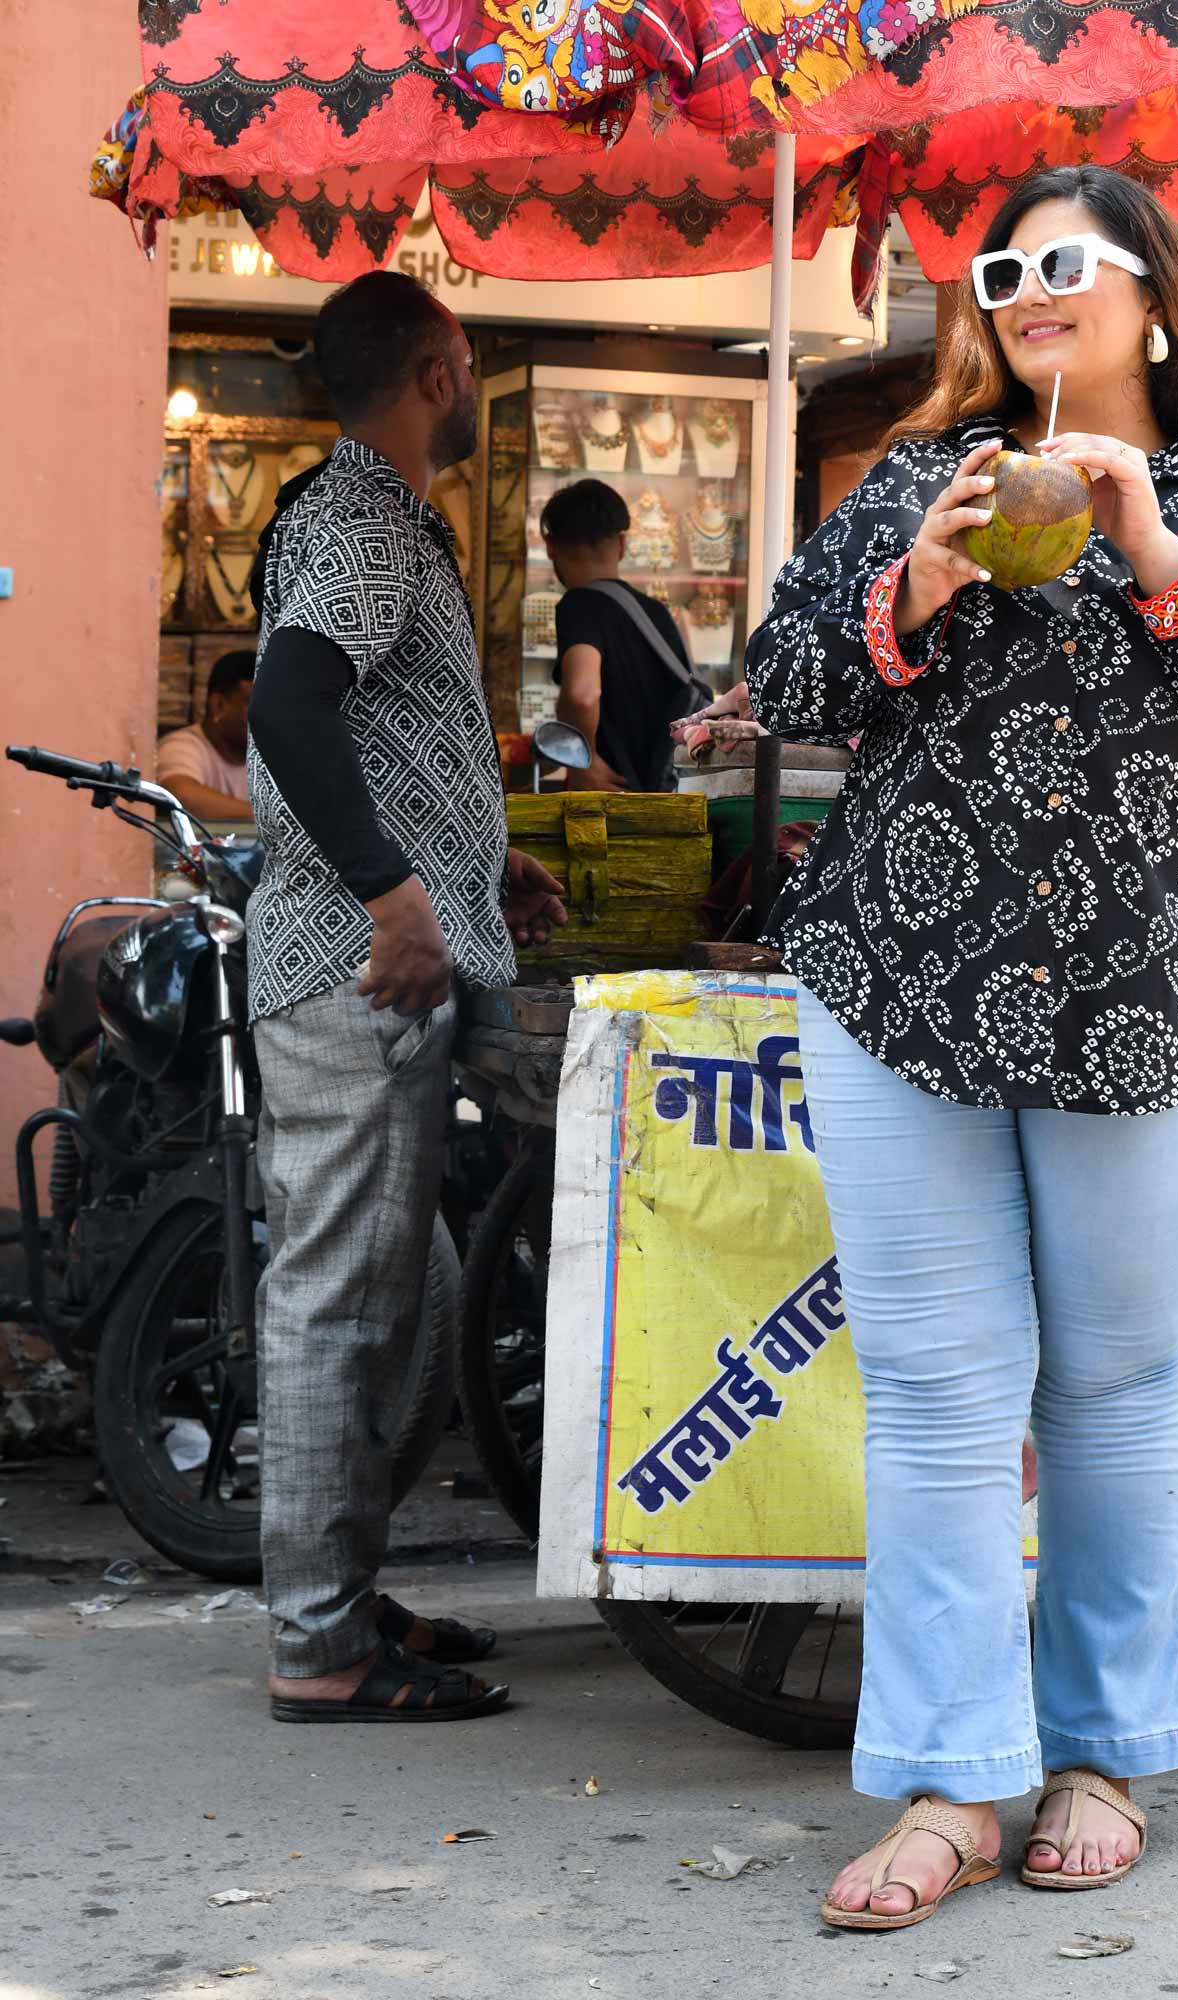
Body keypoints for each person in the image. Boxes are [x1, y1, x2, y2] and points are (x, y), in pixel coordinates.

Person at [746, 166, 1178, 1929]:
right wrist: (917, 590)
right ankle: (955, 1777)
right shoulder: (906, 484)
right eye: (1003, 268)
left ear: (1153, 300)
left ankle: (1097, 1751)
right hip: (900, 983)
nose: (1027, 290)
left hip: (1147, 1000)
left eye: (1065, 264)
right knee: (940, 1398)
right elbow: (783, 682)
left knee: (1104, 1391)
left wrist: (1157, 552)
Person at [246, 270, 566, 1722]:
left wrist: (471, 870)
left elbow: (367, 723)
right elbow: (291, 701)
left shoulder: (356, 511)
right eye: (469, 357)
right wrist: (392, 889)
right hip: (349, 964)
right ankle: (318, 1646)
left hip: (381, 946)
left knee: (397, 1294)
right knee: (340, 1304)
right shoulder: (371, 516)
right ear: (439, 370)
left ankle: (344, 1598)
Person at [540, 477, 703, 791]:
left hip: (615, 799)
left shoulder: (579, 605)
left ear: (550, 546)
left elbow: (583, 693)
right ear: (622, 543)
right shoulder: (655, 613)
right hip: (666, 797)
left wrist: (583, 763)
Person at [156, 650, 255, 824]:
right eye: (255, 705)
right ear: (219, 705)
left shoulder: (271, 758)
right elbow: (182, 797)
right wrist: (271, 818)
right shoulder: (181, 746)